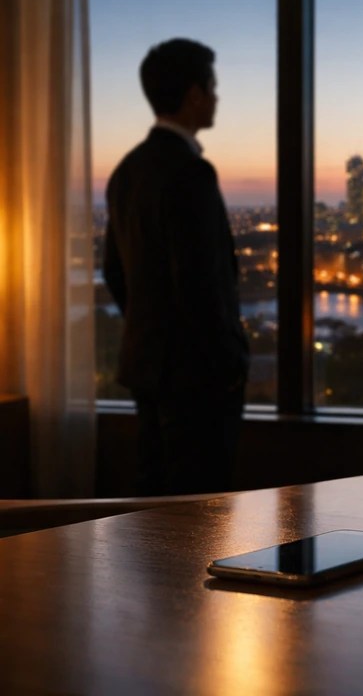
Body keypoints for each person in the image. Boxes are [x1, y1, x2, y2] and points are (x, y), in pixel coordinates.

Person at [103, 38, 249, 495]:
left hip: (146, 366)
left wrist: (151, 327)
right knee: (200, 506)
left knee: (154, 502)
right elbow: (200, 283)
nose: (218, 98)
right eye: (213, 87)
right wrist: (229, 363)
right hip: (196, 377)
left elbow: (113, 270)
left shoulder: (127, 170)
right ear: (194, 95)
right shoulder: (190, 173)